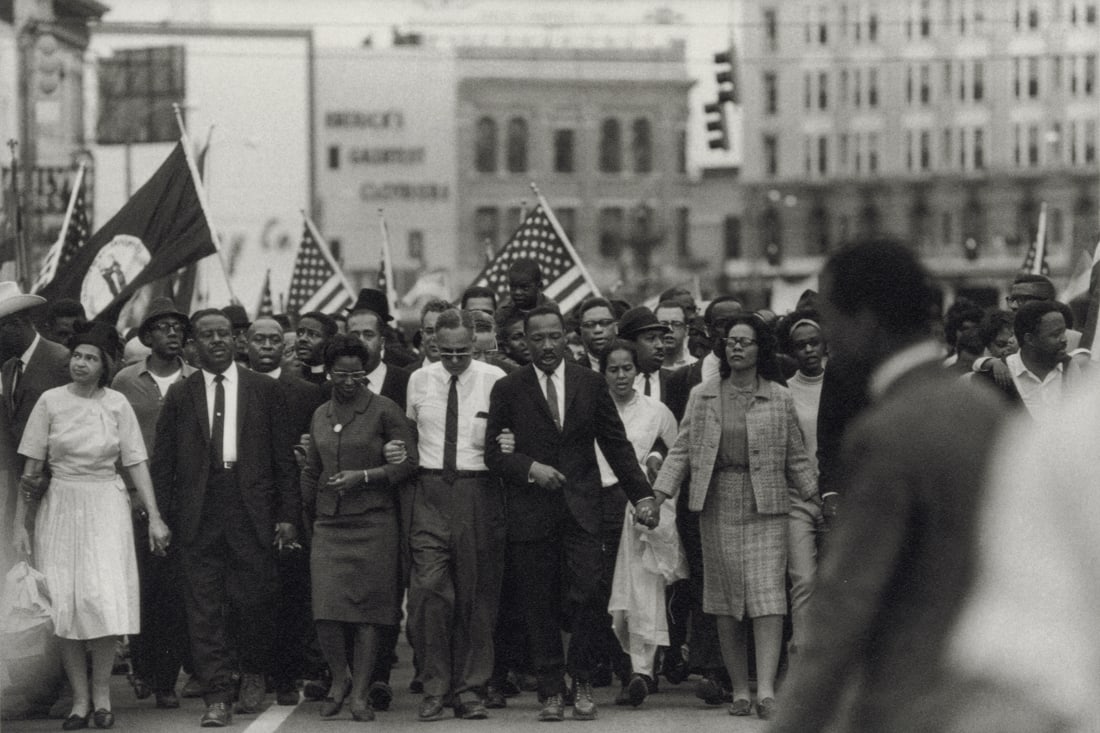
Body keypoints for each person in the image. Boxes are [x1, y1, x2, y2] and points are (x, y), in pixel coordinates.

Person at [771, 240, 1007, 732]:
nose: (827, 339)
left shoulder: (885, 432)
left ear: (864, 322)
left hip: (907, 702)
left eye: (830, 321)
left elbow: (845, 602)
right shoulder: (986, 410)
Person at [485, 305, 659, 722]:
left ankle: (581, 679)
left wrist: (643, 497)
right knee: (539, 602)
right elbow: (493, 453)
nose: (547, 346)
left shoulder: (590, 383)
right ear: (526, 342)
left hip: (583, 509)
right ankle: (551, 691)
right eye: (537, 338)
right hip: (532, 513)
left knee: (589, 593)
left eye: (554, 336)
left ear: (567, 337)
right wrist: (531, 468)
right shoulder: (508, 388)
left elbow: (615, 444)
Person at [653, 313, 817, 721]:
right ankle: (740, 690)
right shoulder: (703, 395)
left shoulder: (778, 396)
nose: (737, 347)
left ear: (762, 349)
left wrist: (816, 498)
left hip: (768, 503)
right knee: (725, 599)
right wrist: (657, 496)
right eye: (731, 341)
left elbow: (796, 457)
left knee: (767, 596)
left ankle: (766, 691)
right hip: (717, 501)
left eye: (746, 341)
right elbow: (682, 449)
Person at [12, 321, 171, 731]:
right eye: (77, 356)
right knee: (65, 603)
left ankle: (102, 695)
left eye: (90, 358)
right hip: (60, 506)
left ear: (104, 366)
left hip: (105, 506)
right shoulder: (50, 401)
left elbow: (135, 461)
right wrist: (21, 524)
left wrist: (154, 517)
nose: (80, 364)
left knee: (101, 600)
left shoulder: (117, 404)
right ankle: (79, 700)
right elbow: (31, 469)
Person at [151, 309, 299, 728]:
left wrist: (287, 514)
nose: (217, 341)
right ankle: (216, 696)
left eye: (223, 334)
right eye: (207, 335)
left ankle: (252, 669)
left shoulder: (262, 389)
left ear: (236, 341)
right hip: (198, 511)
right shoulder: (181, 394)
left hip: (250, 507)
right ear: (193, 345)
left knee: (254, 599)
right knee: (203, 608)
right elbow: (163, 462)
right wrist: (161, 516)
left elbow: (283, 459)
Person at [298, 335, 416, 722]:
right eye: (341, 374)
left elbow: (408, 463)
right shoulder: (320, 414)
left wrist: (364, 476)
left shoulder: (384, 409)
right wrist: (307, 511)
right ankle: (339, 679)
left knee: (368, 612)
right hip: (329, 524)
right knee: (326, 610)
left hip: (374, 522)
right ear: (328, 373)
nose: (349, 382)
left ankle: (361, 692)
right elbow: (312, 469)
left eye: (356, 375)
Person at [405, 309, 507, 721]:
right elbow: (410, 434)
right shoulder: (419, 380)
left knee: (476, 595)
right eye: (444, 352)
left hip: (478, 489)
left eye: (461, 352)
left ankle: (470, 690)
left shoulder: (495, 380)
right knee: (429, 592)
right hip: (430, 491)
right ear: (433, 344)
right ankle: (434, 687)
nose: (452, 360)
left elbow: (508, 437)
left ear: (475, 343)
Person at [111, 298, 196, 710]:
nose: (172, 333)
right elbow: (113, 439)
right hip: (137, 501)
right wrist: (130, 494)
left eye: (178, 327)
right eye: (163, 327)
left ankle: (166, 679)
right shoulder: (126, 381)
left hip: (188, 499)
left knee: (177, 591)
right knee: (143, 587)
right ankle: (144, 668)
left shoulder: (197, 378)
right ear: (147, 336)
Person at [662, 296, 742, 699]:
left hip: (742, 492)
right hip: (697, 496)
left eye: (738, 324)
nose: (731, 333)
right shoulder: (683, 381)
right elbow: (675, 442)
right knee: (704, 579)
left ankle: (740, 668)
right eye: (723, 325)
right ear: (708, 331)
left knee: (738, 577)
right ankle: (714, 669)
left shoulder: (759, 374)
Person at [245, 316, 326, 706]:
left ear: (285, 347)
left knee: (291, 591)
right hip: (244, 504)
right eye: (259, 339)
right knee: (247, 593)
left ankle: (287, 674)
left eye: (274, 340)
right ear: (245, 344)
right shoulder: (233, 387)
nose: (266, 346)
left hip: (290, 503)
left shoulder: (307, 394)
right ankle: (250, 671)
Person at [596, 339, 679, 707]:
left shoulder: (657, 411)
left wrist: (656, 464)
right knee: (611, 592)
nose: (620, 376)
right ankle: (622, 667)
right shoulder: (593, 408)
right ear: (602, 373)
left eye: (626, 368)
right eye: (613, 369)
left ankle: (642, 672)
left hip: (641, 509)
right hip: (601, 506)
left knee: (644, 588)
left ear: (637, 370)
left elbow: (677, 456)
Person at [782, 313, 826, 656]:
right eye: (801, 346)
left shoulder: (841, 384)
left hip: (838, 494)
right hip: (797, 497)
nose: (809, 350)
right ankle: (803, 659)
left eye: (814, 343)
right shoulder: (785, 392)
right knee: (804, 580)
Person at [574, 297, 618, 371]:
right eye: (590, 324)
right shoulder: (575, 372)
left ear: (616, 327)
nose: (598, 330)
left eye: (605, 322)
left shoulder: (635, 360)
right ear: (581, 332)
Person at [296, 311, 338, 386]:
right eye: (300, 333)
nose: (302, 339)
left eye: (313, 334)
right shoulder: (288, 378)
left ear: (329, 340)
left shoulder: (337, 380)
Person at [655, 299, 696, 369]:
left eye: (676, 324)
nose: (670, 329)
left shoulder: (698, 367)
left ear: (686, 330)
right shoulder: (645, 370)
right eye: (663, 324)